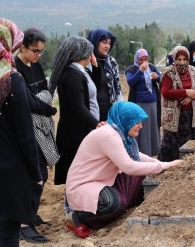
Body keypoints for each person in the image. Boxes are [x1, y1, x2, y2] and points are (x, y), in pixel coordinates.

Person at [0, 18, 43, 247]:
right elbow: (25, 134)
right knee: (9, 231)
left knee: (1, 226)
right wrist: (36, 172)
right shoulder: (12, 80)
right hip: (11, 172)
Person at [65, 101, 183, 238]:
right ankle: (79, 217)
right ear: (126, 119)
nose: (141, 126)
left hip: (100, 180)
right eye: (137, 122)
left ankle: (120, 208)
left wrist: (159, 163)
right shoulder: (109, 135)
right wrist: (163, 166)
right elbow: (129, 166)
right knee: (113, 203)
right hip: (84, 184)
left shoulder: (120, 133)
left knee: (140, 175)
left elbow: (136, 156)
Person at [15, 27, 57, 243]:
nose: (38, 55)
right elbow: (28, 101)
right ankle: (23, 223)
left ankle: (30, 214)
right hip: (25, 129)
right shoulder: (16, 69)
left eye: (42, 51)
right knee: (32, 175)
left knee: (42, 172)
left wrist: (44, 103)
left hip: (40, 127)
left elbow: (45, 92)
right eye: (35, 51)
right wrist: (49, 109)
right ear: (22, 47)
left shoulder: (37, 66)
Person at [49, 35, 104, 186]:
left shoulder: (80, 71)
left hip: (81, 128)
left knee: (79, 173)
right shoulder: (72, 76)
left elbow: (96, 89)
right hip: (75, 132)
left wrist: (96, 66)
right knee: (76, 173)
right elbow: (78, 106)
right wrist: (96, 124)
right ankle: (72, 206)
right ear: (83, 54)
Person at [157, 46, 195, 162]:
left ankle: (183, 168)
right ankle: (164, 167)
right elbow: (165, 92)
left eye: (184, 59)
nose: (182, 62)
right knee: (169, 144)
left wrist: (191, 96)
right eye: (179, 59)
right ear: (174, 59)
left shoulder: (193, 70)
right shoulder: (169, 72)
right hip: (173, 116)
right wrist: (185, 92)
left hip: (190, 114)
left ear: (188, 59)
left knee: (187, 143)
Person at [126, 49, 161, 156]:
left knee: (153, 125)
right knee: (142, 127)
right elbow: (131, 82)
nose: (144, 61)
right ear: (137, 59)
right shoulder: (132, 69)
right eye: (141, 59)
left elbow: (161, 79)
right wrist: (140, 70)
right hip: (139, 103)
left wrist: (157, 77)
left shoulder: (152, 67)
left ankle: (154, 150)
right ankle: (141, 151)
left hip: (153, 102)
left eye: (145, 59)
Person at [87, 29, 123, 121]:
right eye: (104, 42)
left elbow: (117, 87)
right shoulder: (86, 61)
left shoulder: (111, 62)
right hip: (91, 112)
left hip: (110, 112)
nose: (107, 46)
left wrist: (119, 108)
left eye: (109, 43)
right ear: (95, 42)